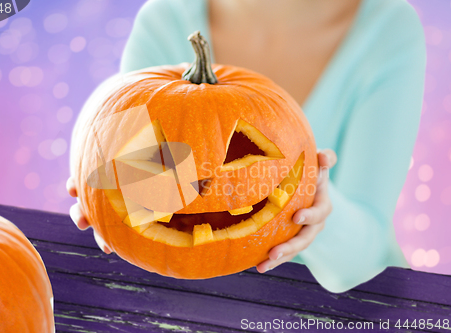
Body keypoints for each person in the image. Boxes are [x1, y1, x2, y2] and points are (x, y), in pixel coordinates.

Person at [67, 0, 426, 293]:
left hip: (361, 310)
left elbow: (363, 262)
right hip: (197, 305)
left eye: (242, 155)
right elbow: (147, 186)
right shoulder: (164, 19)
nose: (212, 183)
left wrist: (316, 211)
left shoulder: (389, 28)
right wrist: (106, 189)